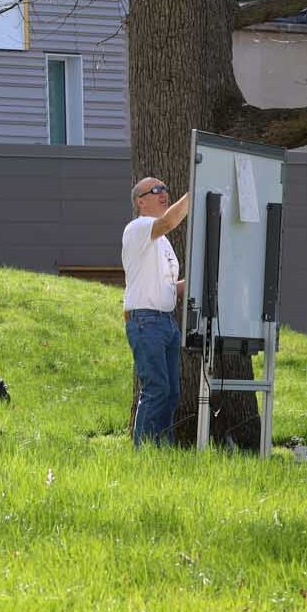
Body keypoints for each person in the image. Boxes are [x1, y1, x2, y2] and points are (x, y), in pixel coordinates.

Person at [124, 176, 191, 446]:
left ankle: (163, 450)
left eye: (165, 188)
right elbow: (169, 222)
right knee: (156, 390)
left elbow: (166, 287)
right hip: (146, 321)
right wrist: (194, 190)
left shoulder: (162, 243)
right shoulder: (138, 227)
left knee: (171, 392)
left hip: (166, 322)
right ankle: (144, 453)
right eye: (156, 190)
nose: (163, 193)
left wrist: (196, 282)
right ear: (141, 201)